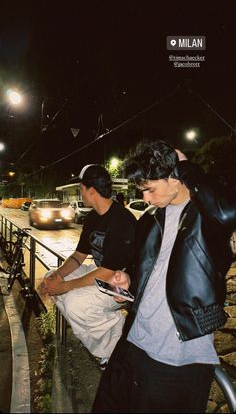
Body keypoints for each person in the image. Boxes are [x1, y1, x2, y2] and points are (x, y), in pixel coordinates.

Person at [92, 140, 236, 413]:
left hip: (178, 355)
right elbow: (145, 269)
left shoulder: (208, 217)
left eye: (150, 189)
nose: (145, 198)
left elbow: (228, 210)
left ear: (174, 178)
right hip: (133, 341)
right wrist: (128, 279)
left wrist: (186, 167)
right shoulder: (150, 219)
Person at [39, 164, 136, 369]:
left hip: (122, 286)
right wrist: (55, 278)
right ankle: (102, 326)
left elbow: (109, 270)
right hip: (102, 276)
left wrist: (66, 287)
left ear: (91, 190)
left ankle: (111, 350)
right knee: (52, 276)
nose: (80, 192)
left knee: (75, 302)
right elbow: (78, 256)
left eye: (81, 188)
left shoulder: (122, 219)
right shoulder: (92, 218)